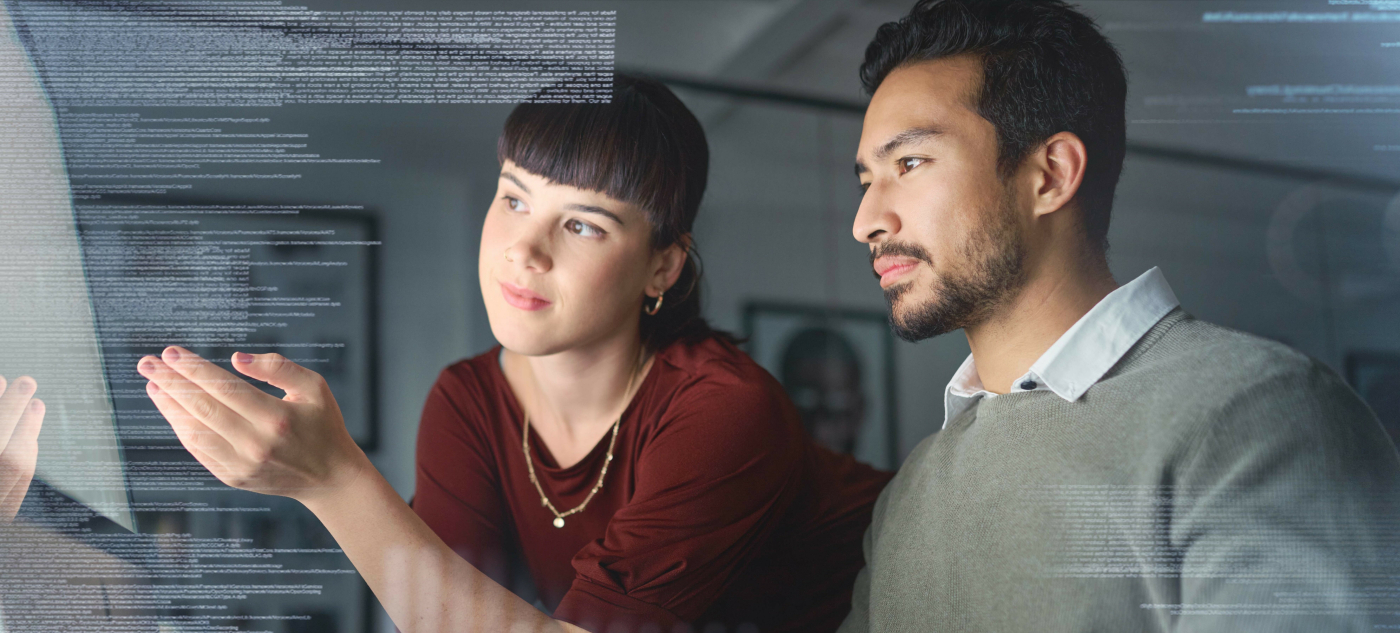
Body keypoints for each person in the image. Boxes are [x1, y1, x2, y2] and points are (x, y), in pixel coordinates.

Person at [136, 74, 893, 633]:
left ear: (664, 266)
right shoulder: (466, 399)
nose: (523, 250)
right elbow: (443, 611)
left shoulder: (722, 406)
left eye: (584, 224)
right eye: (515, 197)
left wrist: (331, 478)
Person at [839, 1, 1400, 631]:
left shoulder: (1260, 413)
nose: (867, 222)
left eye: (908, 165)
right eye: (867, 180)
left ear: (1050, 175)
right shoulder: (908, 498)